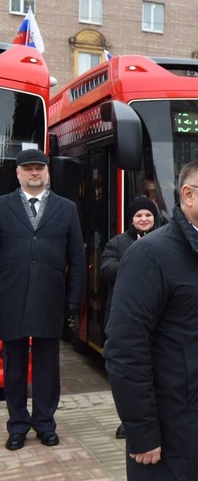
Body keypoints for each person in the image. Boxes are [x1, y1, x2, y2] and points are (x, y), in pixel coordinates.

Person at [104, 157, 198, 480]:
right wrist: (142, 431)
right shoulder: (150, 255)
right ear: (188, 195)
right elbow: (125, 349)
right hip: (178, 435)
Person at [0, 148, 85, 451]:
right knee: (14, 368)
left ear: (48, 173)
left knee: (48, 366)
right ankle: (18, 425)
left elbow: (77, 257)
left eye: (40, 169)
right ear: (18, 173)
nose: (34, 173)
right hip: (10, 298)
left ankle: (45, 424)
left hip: (50, 298)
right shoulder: (2, 206)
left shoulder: (66, 209)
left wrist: (75, 299)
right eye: (28, 169)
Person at [99, 196, 160, 440]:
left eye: (148, 215)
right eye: (138, 216)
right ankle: (127, 420)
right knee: (126, 374)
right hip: (124, 317)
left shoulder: (165, 240)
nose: (143, 219)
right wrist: (136, 256)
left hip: (157, 318)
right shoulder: (117, 243)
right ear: (131, 219)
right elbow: (105, 269)